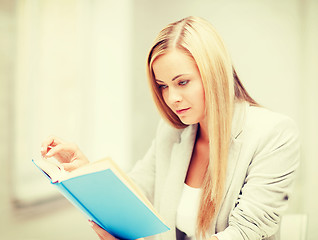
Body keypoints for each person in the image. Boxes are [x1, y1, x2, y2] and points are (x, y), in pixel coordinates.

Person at [41, 16, 300, 240]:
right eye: (163, 85)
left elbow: (243, 233)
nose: (171, 98)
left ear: (214, 74)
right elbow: (135, 198)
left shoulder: (273, 133)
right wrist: (87, 171)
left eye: (182, 82)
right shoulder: (173, 132)